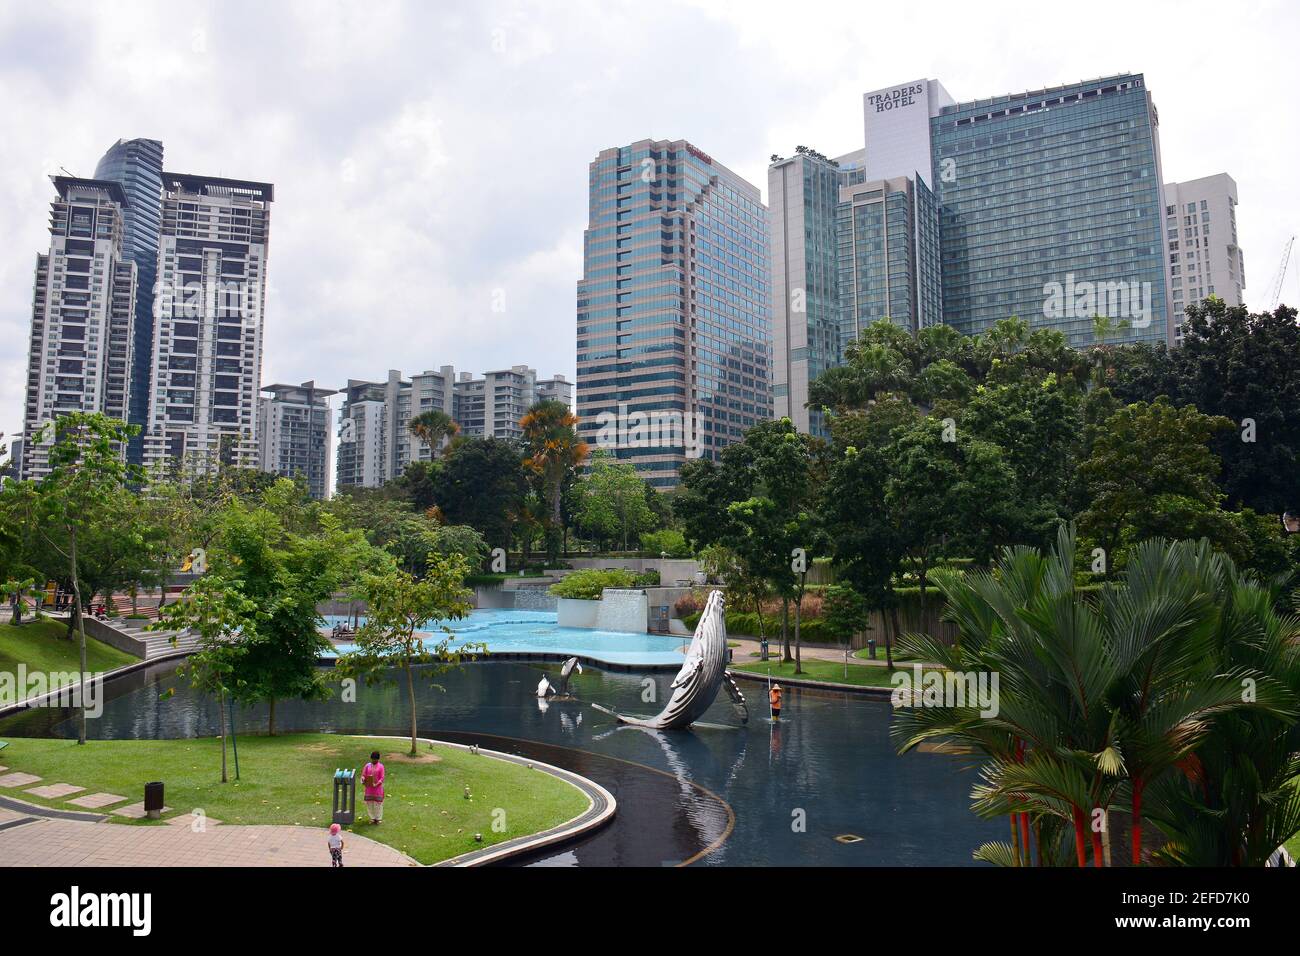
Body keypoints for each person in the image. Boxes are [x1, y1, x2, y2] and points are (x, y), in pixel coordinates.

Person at [361, 751, 385, 825]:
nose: (374, 761)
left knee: (377, 803)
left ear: (378, 759)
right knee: (369, 803)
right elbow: (363, 775)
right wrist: (363, 779)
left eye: (375, 759)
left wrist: (377, 784)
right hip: (369, 788)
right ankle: (372, 817)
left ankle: (378, 818)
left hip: (377, 789)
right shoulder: (367, 766)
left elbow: (382, 777)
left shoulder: (381, 766)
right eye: (373, 759)